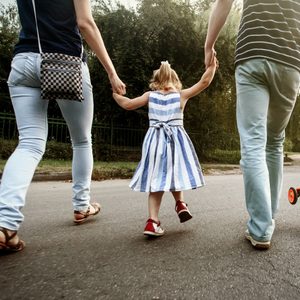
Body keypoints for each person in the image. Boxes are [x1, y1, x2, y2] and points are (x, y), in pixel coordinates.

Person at [0, 0, 126, 253]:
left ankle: (5, 224)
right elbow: (85, 23)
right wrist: (112, 72)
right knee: (81, 140)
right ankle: (81, 205)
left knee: (30, 144)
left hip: (24, 61)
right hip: (65, 62)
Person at [205, 0, 300, 249]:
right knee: (275, 142)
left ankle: (260, 227)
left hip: (253, 53)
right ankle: (268, 216)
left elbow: (224, 2)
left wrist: (209, 45)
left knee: (254, 143)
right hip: (291, 60)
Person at [113, 60, 217, 237]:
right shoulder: (181, 95)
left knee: (157, 179)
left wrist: (115, 92)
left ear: (156, 81)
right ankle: (181, 204)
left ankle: (152, 222)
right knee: (175, 173)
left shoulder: (149, 96)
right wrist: (212, 66)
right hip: (176, 140)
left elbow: (128, 104)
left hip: (155, 140)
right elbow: (204, 82)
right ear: (175, 80)